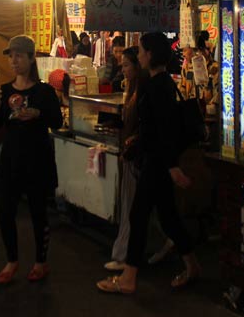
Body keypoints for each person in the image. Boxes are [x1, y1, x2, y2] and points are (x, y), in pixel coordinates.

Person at [97, 32, 201, 295]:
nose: (138, 55)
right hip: (158, 160)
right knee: (167, 217)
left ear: (150, 54)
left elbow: (162, 130)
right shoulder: (160, 82)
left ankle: (129, 277)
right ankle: (192, 264)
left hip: (158, 162)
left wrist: (171, 166)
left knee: (139, 214)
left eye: (141, 51)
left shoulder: (158, 86)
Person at [0, 35, 62, 285]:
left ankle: (41, 262)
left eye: (19, 55)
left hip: (37, 158)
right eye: (11, 55)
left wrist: (39, 113)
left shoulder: (44, 91)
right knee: (5, 212)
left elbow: (57, 122)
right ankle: (12, 260)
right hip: (11, 158)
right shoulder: (5, 91)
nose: (13, 60)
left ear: (31, 58)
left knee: (38, 212)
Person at [104, 46, 149, 272]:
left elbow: (142, 126)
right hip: (131, 153)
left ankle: (124, 256)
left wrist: (129, 142)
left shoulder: (143, 90)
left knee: (131, 206)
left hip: (136, 157)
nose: (122, 70)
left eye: (126, 65)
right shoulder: (131, 89)